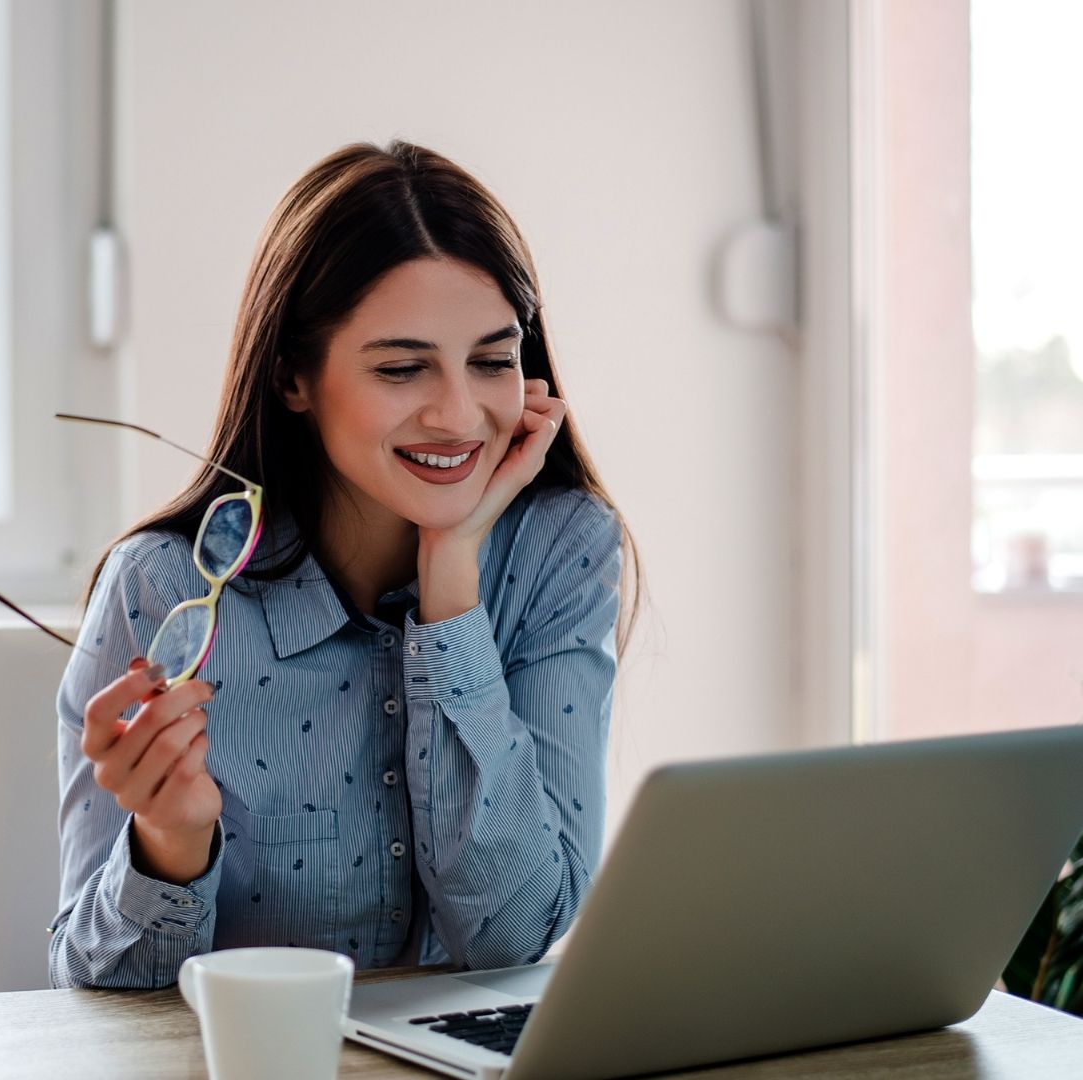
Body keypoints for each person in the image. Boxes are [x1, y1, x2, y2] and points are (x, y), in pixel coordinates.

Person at [48, 140, 641, 990]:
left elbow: (514, 933)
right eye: (403, 368)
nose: (458, 414)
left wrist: (453, 578)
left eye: (493, 360)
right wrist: (169, 848)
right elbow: (98, 988)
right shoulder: (164, 590)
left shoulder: (560, 549)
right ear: (294, 378)